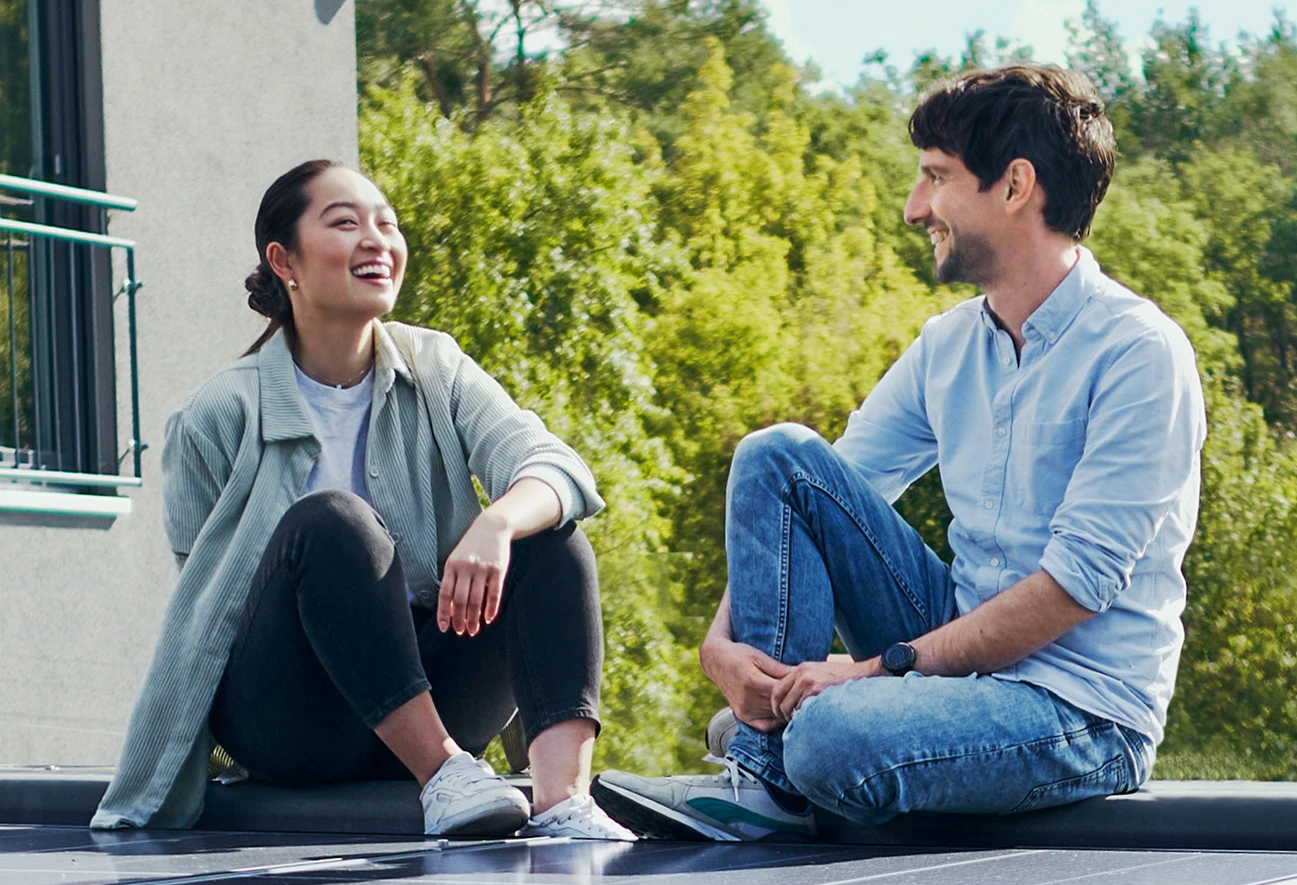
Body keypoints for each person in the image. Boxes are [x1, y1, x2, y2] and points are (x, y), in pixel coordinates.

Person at [594, 65, 1205, 841]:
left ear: (1016, 186)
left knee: (829, 735)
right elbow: (809, 500)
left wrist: (870, 673)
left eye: (937, 178)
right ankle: (764, 769)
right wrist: (721, 647)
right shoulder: (947, 345)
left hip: (1079, 711)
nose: (916, 209)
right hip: (956, 645)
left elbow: (1073, 588)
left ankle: (789, 753)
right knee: (778, 454)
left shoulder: (1139, 353)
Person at [91, 160, 632, 840]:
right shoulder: (216, 415)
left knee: (549, 534)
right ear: (283, 260)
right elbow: (209, 607)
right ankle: (443, 776)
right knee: (334, 524)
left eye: (388, 224)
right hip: (290, 721)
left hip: (438, 694)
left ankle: (563, 803)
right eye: (346, 223)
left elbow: (557, 467)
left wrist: (496, 521)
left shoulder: (437, 367)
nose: (378, 240)